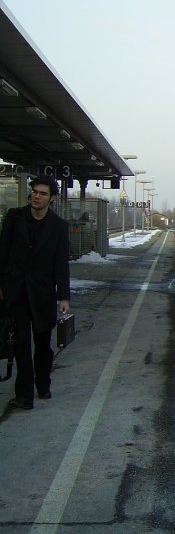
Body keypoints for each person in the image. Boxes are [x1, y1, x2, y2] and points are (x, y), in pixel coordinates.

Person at [0, 175, 70, 409]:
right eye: (34, 192)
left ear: (51, 198)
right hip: (16, 291)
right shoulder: (14, 218)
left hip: (42, 294)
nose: (36, 197)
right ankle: (24, 395)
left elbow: (61, 264)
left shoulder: (59, 226)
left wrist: (64, 296)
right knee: (20, 342)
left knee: (43, 344)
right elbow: (3, 253)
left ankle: (43, 384)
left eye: (42, 193)